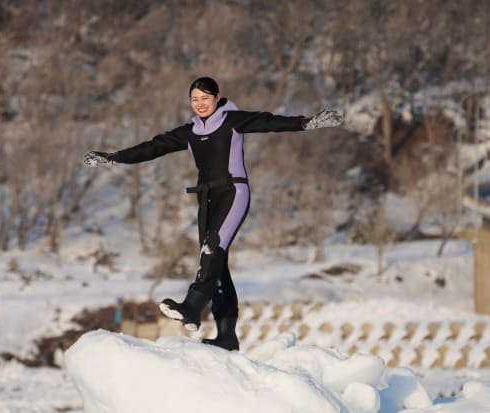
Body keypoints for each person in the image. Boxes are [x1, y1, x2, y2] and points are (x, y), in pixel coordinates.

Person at [83, 76, 343, 351]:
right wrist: (111, 158)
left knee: (212, 248)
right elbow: (152, 147)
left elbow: (269, 122)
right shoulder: (191, 131)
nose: (200, 104)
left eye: (205, 98)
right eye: (195, 99)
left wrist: (306, 122)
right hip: (207, 200)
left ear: (217, 98)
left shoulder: (231, 120)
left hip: (234, 193)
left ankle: (192, 306)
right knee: (216, 266)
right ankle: (226, 336)